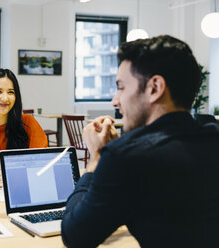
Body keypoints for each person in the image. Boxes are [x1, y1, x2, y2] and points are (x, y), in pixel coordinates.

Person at [61, 35, 219, 247]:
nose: (115, 101)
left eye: (121, 87)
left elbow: (75, 236)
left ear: (154, 88)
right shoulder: (212, 138)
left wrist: (95, 161)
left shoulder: (127, 157)